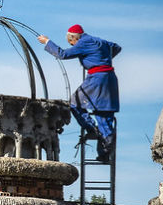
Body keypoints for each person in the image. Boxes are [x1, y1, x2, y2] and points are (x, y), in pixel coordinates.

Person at [37, 25, 121, 163]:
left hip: (96, 79)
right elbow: (116, 48)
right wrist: (101, 57)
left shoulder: (83, 42)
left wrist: (47, 41)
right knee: (104, 115)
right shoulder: (100, 41)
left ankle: (91, 128)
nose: (73, 45)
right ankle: (105, 154)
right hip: (110, 78)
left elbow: (62, 54)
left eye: (72, 43)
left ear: (74, 38)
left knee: (74, 103)